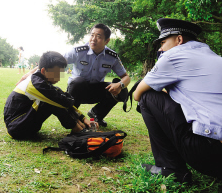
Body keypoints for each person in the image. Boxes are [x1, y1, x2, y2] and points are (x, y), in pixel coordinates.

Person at [134, 18, 222, 183]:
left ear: (179, 40)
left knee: (148, 97)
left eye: (163, 42)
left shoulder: (174, 55)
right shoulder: (216, 57)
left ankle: (172, 170)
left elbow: (137, 94)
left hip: (209, 153)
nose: (161, 48)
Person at [4, 51, 98, 139]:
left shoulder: (41, 81)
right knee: (53, 101)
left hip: (21, 124)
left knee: (54, 98)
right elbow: (64, 101)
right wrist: (78, 119)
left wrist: (83, 118)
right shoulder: (36, 84)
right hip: (16, 129)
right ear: (44, 71)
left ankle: (79, 127)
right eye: (57, 74)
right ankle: (78, 129)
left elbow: (64, 99)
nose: (59, 78)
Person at [64, 23, 131, 127]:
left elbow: (126, 77)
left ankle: (96, 115)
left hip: (95, 90)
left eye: (98, 36)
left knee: (122, 90)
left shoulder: (112, 57)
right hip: (76, 91)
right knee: (79, 82)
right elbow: (56, 62)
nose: (93, 39)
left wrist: (119, 85)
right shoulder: (78, 51)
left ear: (107, 41)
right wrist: (35, 71)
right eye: (92, 35)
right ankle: (72, 117)